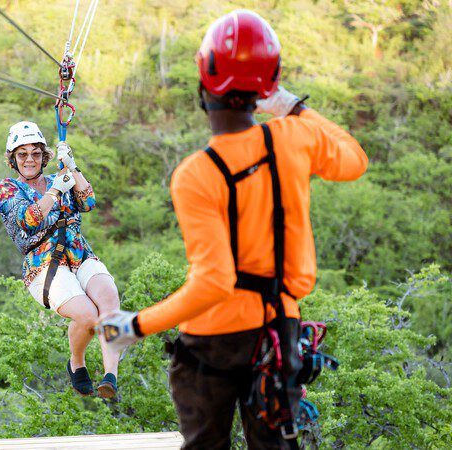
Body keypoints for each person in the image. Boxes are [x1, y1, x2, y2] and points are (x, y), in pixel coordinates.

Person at [96, 10, 368, 449]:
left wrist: (135, 325)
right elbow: (354, 160)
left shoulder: (195, 175)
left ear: (204, 86)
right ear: (266, 88)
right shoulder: (294, 138)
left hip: (211, 344)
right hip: (277, 332)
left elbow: (215, 282)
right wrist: (289, 104)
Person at [0, 121, 122, 398]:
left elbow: (88, 202)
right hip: (45, 266)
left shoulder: (60, 178)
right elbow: (29, 220)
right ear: (13, 159)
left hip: (79, 252)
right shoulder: (7, 189)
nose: (30, 159)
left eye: (36, 153)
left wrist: (72, 168)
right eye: (23, 154)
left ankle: (110, 376)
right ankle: (77, 363)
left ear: (44, 156)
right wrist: (55, 192)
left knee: (109, 298)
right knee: (88, 315)